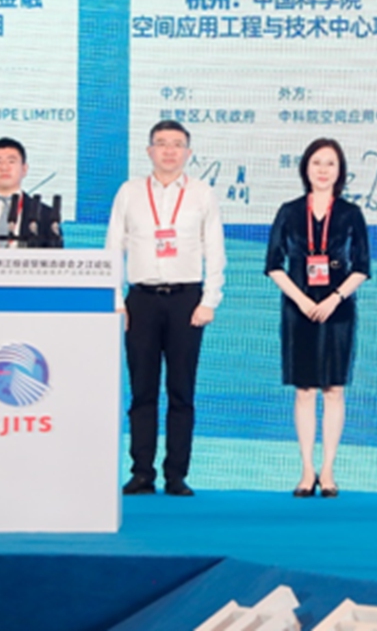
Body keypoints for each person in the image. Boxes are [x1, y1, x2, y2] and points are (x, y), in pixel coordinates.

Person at [105, 120, 225, 497]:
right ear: (149, 151)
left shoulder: (203, 194)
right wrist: (115, 301)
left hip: (187, 302)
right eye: (161, 144)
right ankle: (142, 471)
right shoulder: (129, 192)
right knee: (142, 390)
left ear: (188, 153)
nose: (169, 151)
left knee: (181, 390)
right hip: (139, 300)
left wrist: (210, 300)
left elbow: (215, 250)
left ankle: (176, 474)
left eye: (177, 144)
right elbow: (113, 247)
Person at [266, 138, 370, 498]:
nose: (323, 170)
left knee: (334, 389)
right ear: (305, 169)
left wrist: (335, 297)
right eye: (316, 163)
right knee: (305, 389)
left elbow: (363, 267)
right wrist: (300, 298)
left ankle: (328, 470)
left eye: (330, 164)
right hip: (298, 309)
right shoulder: (289, 211)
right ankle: (306, 470)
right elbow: (273, 265)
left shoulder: (351, 214)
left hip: (338, 310)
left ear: (340, 171)